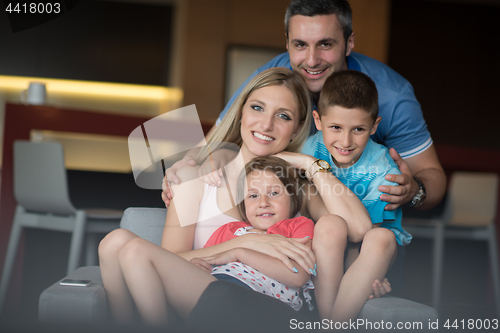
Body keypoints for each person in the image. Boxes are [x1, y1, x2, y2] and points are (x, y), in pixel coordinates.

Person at [99, 67, 373, 328]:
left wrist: (308, 163)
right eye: (257, 108)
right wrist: (246, 243)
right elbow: (169, 262)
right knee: (114, 242)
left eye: (284, 116)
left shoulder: (298, 187)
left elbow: (358, 229)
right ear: (241, 112)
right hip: (203, 299)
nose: (266, 124)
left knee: (132, 248)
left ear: (298, 126)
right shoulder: (193, 179)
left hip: (266, 309)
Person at [163, 0, 446, 214]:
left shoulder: (391, 95)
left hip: (364, 222)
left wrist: (414, 192)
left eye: (325, 44)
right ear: (286, 43)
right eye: (300, 45)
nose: (311, 60)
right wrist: (184, 167)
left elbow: (432, 177)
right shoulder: (271, 78)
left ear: (349, 43)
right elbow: (217, 141)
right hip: (286, 212)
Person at [301, 69, 412, 321]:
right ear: (318, 121)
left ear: (374, 125)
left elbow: (362, 234)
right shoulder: (310, 148)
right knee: (329, 225)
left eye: (358, 129)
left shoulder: (382, 168)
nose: (345, 140)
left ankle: (335, 323)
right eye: (336, 127)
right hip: (329, 239)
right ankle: (329, 320)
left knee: (380, 238)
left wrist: (358, 280)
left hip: (373, 248)